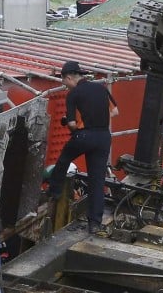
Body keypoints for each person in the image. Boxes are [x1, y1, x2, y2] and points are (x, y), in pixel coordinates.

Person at [46, 61, 119, 234]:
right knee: (97, 180)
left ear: (69, 77)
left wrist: (76, 124)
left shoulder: (74, 94)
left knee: (64, 159)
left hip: (85, 136)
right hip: (103, 137)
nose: (65, 86)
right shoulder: (101, 88)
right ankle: (94, 223)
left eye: (65, 82)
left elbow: (71, 124)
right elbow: (115, 112)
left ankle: (54, 191)